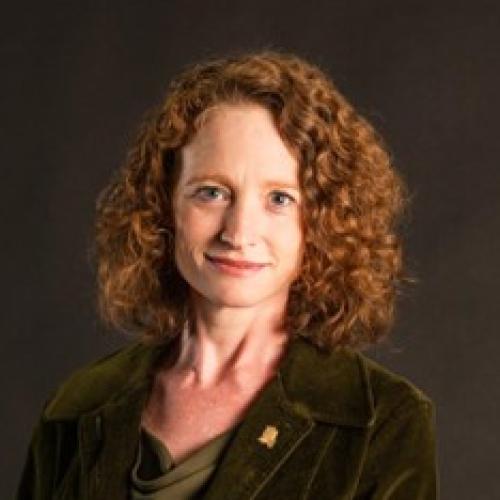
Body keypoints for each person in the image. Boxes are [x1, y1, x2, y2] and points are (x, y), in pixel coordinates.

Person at [16, 50, 439, 499]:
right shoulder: (77, 408)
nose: (238, 233)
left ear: (323, 222)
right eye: (212, 193)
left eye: (279, 199)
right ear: (164, 205)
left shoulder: (382, 421)